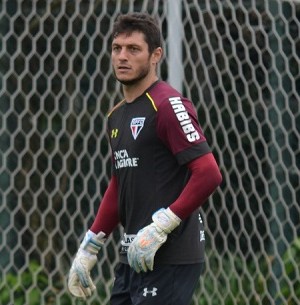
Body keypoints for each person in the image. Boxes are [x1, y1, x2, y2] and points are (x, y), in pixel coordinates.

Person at [67, 12, 222, 305]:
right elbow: (120, 182)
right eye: (117, 48)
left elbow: (208, 172)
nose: (122, 57)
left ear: (156, 55)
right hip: (135, 255)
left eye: (134, 49)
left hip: (170, 254)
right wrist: (91, 245)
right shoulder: (116, 115)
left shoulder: (167, 105)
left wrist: (162, 225)